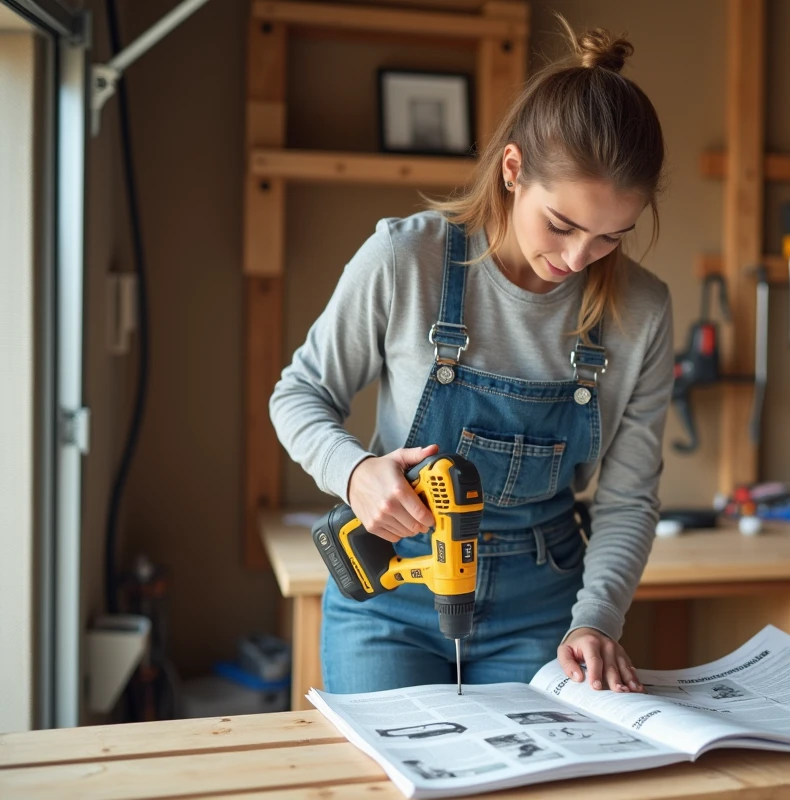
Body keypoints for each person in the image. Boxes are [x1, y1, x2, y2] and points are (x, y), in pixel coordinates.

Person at [269, 16, 672, 696]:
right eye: (563, 224)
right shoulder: (406, 261)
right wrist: (357, 472)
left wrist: (596, 621)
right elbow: (298, 393)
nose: (576, 260)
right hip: (392, 591)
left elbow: (629, 500)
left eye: (610, 237)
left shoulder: (643, 311)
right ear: (513, 170)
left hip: (545, 606)